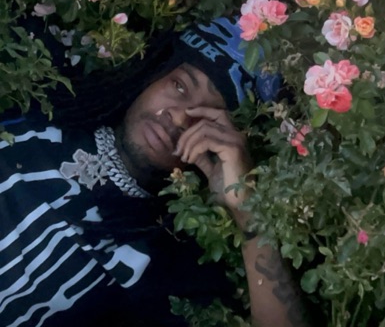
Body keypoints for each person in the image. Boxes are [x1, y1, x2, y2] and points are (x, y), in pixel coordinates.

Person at [0, 18, 308, 327]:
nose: (179, 118)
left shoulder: (167, 262)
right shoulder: (42, 94)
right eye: (179, 86)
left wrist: (247, 211)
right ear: (155, 73)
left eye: (209, 122)